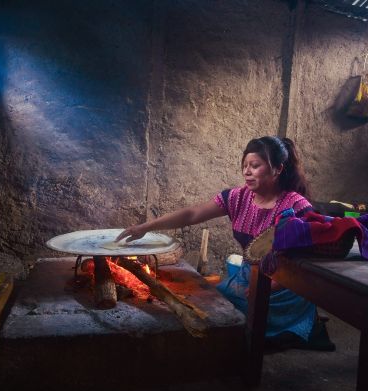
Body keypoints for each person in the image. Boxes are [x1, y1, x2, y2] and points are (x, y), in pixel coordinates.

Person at [116, 136, 335, 351]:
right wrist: (144, 228)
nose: (247, 172)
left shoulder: (296, 206)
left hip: (285, 285)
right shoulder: (237, 198)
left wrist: (272, 285)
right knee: (212, 299)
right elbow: (192, 214)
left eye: (255, 166)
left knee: (226, 312)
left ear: (277, 169)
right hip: (250, 275)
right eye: (245, 165)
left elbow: (308, 260)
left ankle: (294, 326)